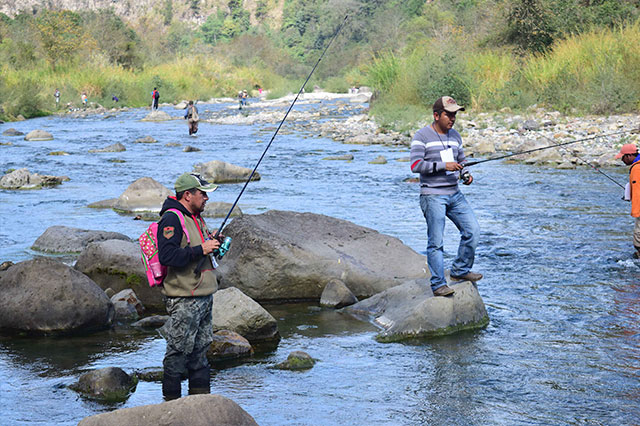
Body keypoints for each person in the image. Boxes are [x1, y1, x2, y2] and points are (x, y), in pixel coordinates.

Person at [157, 172, 221, 400]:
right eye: (202, 193)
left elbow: (197, 248)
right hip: (184, 298)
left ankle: (200, 404)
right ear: (187, 195)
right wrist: (200, 249)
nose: (206, 198)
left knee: (200, 353)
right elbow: (167, 255)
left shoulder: (196, 216)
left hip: (204, 296)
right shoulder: (172, 218)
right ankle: (170, 406)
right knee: (177, 354)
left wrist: (212, 242)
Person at [410, 96, 481, 297]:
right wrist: (444, 166)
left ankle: (460, 271)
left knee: (473, 231)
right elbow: (415, 166)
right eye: (448, 114)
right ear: (436, 115)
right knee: (436, 242)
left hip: (454, 194)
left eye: (454, 114)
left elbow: (461, 161)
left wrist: (465, 175)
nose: (452, 118)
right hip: (432, 195)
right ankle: (438, 284)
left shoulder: (455, 136)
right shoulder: (421, 136)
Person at [616, 143, 640, 257]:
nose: (622, 160)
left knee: (638, 241)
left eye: (623, 157)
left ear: (629, 156)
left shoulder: (637, 168)